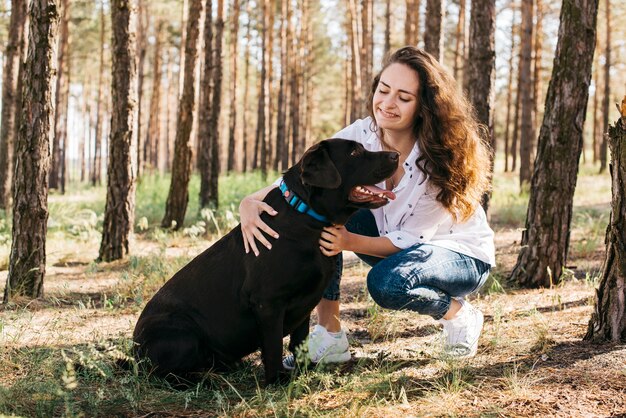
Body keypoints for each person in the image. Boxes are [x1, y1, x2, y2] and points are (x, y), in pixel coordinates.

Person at [239, 46, 495, 368]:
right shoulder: (363, 134)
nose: (387, 103)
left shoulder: (440, 162)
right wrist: (250, 201)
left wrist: (348, 242)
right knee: (319, 214)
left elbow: (412, 239)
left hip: (459, 256)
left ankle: (459, 315)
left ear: (424, 107)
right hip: (398, 241)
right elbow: (306, 179)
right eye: (383, 90)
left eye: (403, 97)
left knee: (388, 284)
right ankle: (329, 335)